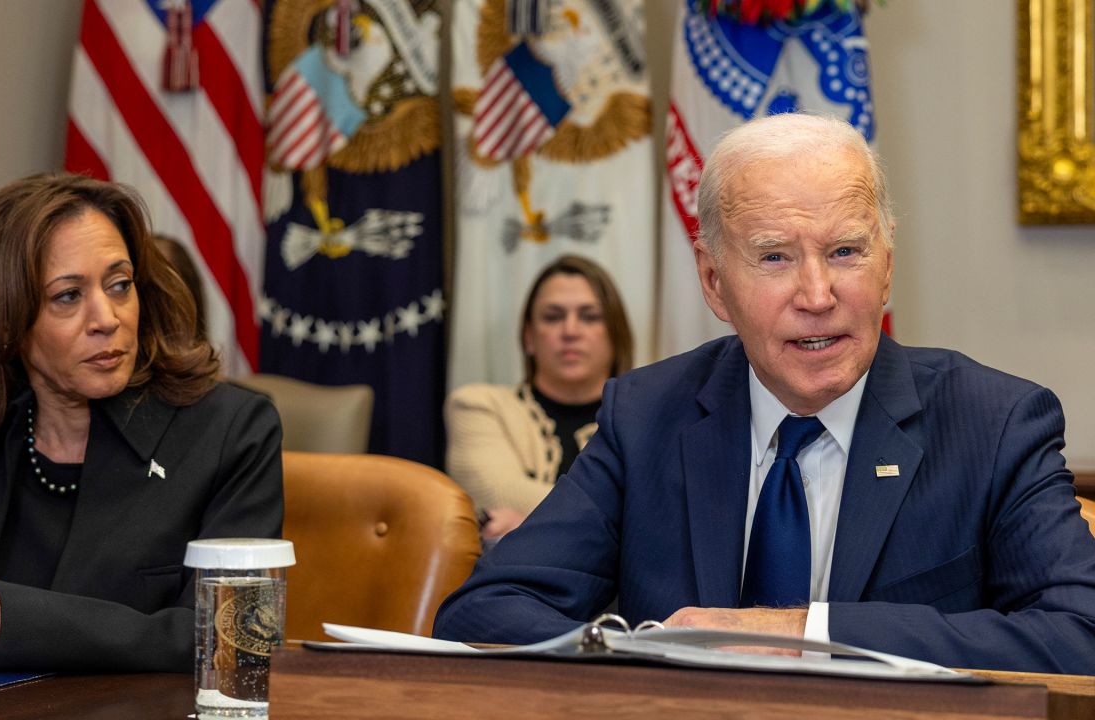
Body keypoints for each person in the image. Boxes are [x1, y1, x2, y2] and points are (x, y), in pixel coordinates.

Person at [433, 113, 1095, 674]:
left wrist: (806, 633)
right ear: (714, 282)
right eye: (775, 257)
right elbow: (486, 610)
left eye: (844, 252)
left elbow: (1079, 637)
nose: (816, 295)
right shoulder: (647, 417)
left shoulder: (993, 423)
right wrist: (653, 659)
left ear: (887, 267)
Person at [0, 173, 283, 673]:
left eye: (120, 285)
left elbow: (236, 640)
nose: (107, 317)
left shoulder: (232, 430)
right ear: (8, 320)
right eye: (67, 296)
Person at [445, 255, 633, 542]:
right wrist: (622, 524)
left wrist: (529, 527)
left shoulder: (649, 416)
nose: (570, 331)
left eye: (590, 316)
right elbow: (497, 491)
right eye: (553, 316)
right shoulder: (476, 406)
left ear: (615, 334)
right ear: (529, 336)